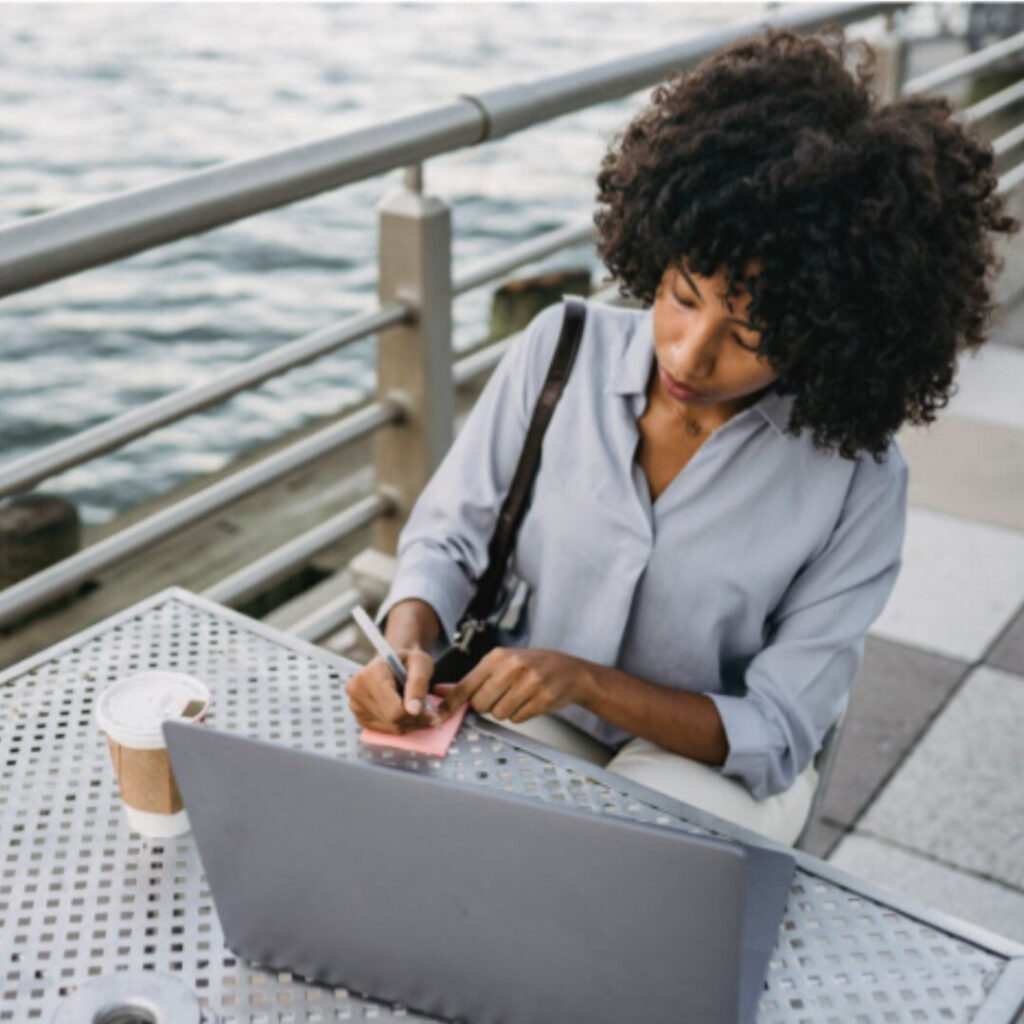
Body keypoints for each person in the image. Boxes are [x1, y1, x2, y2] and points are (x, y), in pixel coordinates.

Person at [345, 24, 1018, 845]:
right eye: (682, 294)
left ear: (829, 328)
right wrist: (403, 644)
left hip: (713, 771)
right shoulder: (562, 352)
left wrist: (589, 683)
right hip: (538, 720)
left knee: (632, 850)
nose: (689, 354)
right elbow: (447, 543)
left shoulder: (857, 483)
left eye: (748, 334)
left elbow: (774, 733)